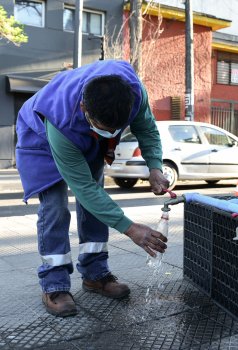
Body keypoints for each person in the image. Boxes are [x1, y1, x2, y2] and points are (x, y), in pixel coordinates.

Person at [15, 60, 170, 317]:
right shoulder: (60, 119)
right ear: (85, 107)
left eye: (115, 131)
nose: (111, 135)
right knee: (55, 208)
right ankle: (54, 283)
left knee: (96, 204)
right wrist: (130, 228)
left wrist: (155, 167)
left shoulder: (134, 94)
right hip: (40, 136)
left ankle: (95, 274)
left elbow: (147, 129)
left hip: (87, 137)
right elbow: (84, 189)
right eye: (104, 128)